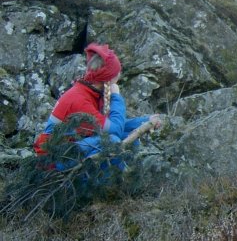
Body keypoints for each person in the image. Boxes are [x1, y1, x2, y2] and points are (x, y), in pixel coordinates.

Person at [34, 42, 162, 163]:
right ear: (108, 80)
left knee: (129, 138)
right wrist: (116, 95)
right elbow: (115, 130)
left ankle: (121, 181)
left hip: (72, 145)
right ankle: (105, 185)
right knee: (112, 141)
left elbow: (114, 126)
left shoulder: (91, 91)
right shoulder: (79, 100)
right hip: (53, 158)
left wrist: (147, 121)